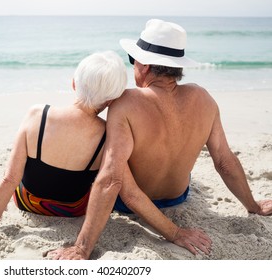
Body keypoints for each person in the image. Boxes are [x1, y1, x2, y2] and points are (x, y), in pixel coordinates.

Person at [49, 19, 272, 259]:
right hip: (179, 196)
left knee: (101, 145)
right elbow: (224, 161)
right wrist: (254, 206)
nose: (132, 67)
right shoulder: (204, 98)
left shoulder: (126, 103)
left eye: (132, 61)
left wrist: (81, 248)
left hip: (128, 205)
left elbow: (112, 180)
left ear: (144, 66)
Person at [0, 51, 127, 228]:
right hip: (73, 209)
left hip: (27, 202)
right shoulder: (107, 134)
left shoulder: (38, 115)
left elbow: (10, 179)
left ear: (74, 83)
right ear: (111, 101)